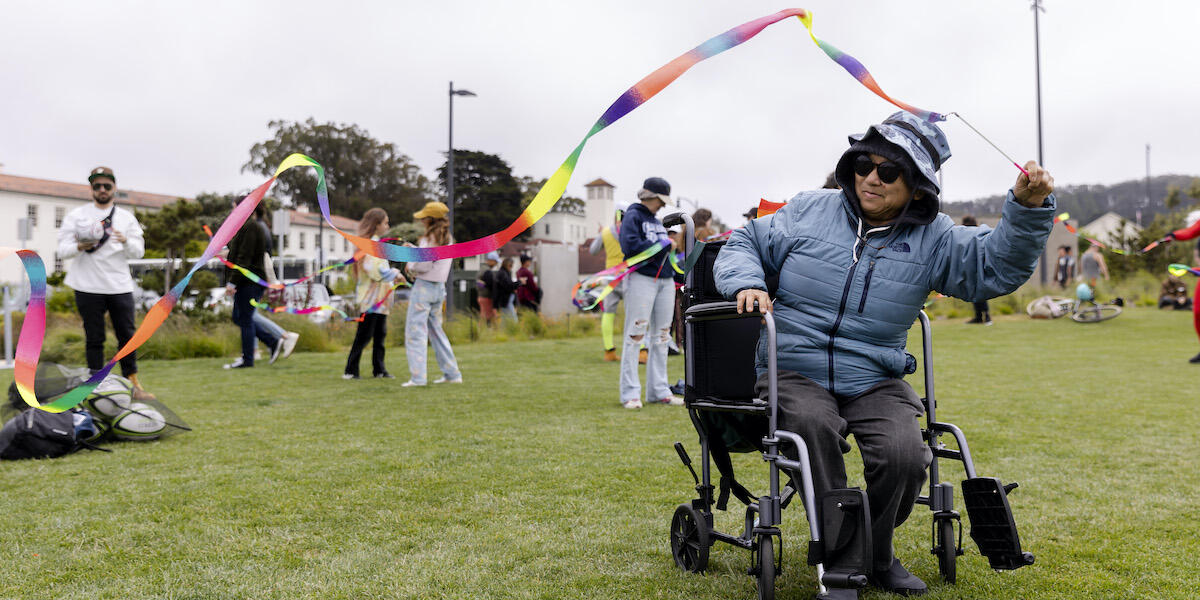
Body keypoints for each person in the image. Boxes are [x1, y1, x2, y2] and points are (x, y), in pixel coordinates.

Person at [715, 111, 1055, 598]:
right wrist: (746, 280)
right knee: (811, 427)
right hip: (793, 368)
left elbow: (992, 268)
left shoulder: (934, 236)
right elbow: (745, 240)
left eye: (890, 171)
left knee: (905, 455)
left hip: (875, 374)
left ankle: (874, 552)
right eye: (863, 165)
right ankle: (842, 559)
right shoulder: (810, 208)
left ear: (918, 187)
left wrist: (1027, 207)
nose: (871, 178)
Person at [56, 166, 152, 397]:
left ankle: (133, 383)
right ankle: (94, 385)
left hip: (119, 285)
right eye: (96, 186)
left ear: (114, 188)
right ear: (91, 189)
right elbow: (62, 250)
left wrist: (126, 240)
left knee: (127, 335)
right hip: (87, 285)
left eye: (106, 186)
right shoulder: (77, 216)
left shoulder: (126, 218)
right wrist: (80, 246)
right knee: (94, 336)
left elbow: (138, 252)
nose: (101, 189)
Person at [618, 176, 686, 409]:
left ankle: (659, 390)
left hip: (665, 281)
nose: (664, 205)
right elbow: (630, 247)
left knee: (662, 337)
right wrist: (665, 244)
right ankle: (630, 393)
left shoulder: (656, 220)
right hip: (640, 279)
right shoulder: (632, 216)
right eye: (661, 200)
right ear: (650, 196)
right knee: (635, 334)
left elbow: (664, 254)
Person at [402, 202, 463, 386]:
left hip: (423, 288)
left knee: (415, 332)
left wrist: (410, 263)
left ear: (430, 219)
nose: (421, 221)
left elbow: (424, 264)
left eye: (423, 218)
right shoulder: (448, 238)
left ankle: (418, 378)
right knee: (437, 332)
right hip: (439, 289)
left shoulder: (428, 238)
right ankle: (452, 374)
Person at [344, 208, 401, 380]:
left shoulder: (378, 245)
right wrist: (395, 274)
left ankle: (379, 370)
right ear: (376, 225)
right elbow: (374, 270)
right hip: (370, 300)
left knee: (379, 336)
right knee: (364, 335)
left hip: (381, 300)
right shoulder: (369, 246)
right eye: (385, 222)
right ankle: (350, 370)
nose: (387, 225)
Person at [223, 204, 280, 369]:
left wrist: (232, 282)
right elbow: (239, 253)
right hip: (246, 281)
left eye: (235, 207)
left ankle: (248, 360)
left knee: (245, 319)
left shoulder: (251, 227)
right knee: (238, 317)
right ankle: (272, 341)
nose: (233, 211)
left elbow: (244, 258)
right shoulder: (245, 228)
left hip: (249, 282)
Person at [589, 203, 629, 361]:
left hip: (611, 278)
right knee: (634, 313)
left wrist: (601, 235)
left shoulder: (606, 232)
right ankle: (641, 350)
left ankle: (609, 350)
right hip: (629, 275)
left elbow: (593, 250)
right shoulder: (631, 231)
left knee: (608, 313)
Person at [960, 215, 992, 325]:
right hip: (971, 267)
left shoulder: (977, 234)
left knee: (981, 293)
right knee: (973, 293)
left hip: (979, 267)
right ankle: (978, 317)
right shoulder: (966, 235)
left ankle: (987, 317)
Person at [474, 251, 501, 324]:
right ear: (491, 261)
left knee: (483, 316)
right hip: (486, 297)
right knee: (487, 317)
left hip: (481, 296)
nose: (496, 264)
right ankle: (483, 332)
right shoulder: (487, 271)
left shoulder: (482, 269)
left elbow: (478, 283)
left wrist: (483, 286)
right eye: (495, 262)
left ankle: (480, 331)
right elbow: (490, 285)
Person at [495, 257, 519, 321]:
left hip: (506, 300)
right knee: (513, 319)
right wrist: (519, 282)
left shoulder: (505, 273)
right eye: (511, 265)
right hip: (506, 300)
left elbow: (508, 285)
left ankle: (504, 330)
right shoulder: (503, 273)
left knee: (505, 319)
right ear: (507, 265)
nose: (511, 267)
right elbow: (508, 286)